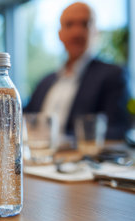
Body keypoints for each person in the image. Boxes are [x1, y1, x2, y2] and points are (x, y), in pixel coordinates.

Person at [24, 2, 129, 140]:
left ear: (96, 31)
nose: (77, 32)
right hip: (37, 155)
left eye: (85, 24)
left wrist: (64, 140)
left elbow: (118, 130)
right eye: (69, 24)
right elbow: (24, 118)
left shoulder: (113, 75)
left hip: (79, 158)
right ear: (60, 34)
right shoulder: (45, 81)